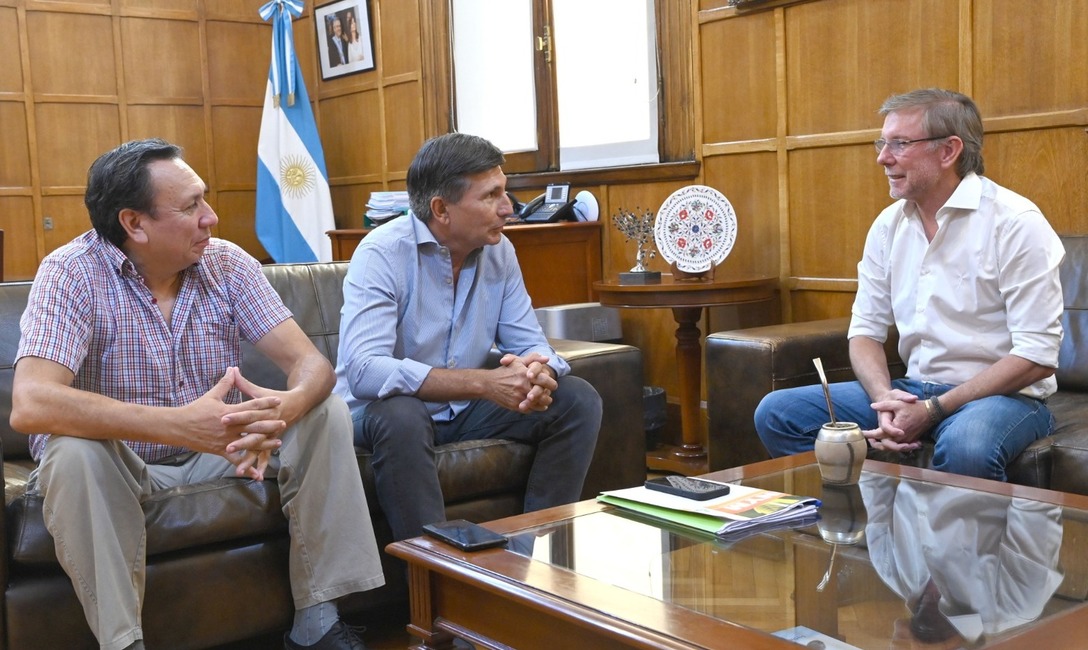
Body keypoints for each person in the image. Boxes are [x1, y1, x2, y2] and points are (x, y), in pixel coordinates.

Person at [10, 139, 384, 650]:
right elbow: (33, 402)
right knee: (71, 453)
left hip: (224, 451)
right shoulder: (71, 273)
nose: (211, 217)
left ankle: (318, 623)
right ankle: (124, 643)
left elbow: (312, 365)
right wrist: (180, 426)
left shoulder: (226, 263)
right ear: (134, 224)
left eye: (203, 199)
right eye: (190, 207)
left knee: (326, 412)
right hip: (124, 466)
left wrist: (284, 408)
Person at [754, 88, 1065, 482]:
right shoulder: (888, 225)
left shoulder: (1015, 222)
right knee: (778, 413)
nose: (883, 157)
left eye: (899, 143)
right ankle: (864, 511)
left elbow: (1037, 355)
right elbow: (864, 332)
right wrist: (884, 398)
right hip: (913, 389)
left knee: (967, 448)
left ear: (948, 151)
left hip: (1003, 398)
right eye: (882, 143)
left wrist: (934, 410)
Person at [334, 132, 603, 543]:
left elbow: (529, 342)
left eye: (504, 191)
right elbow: (365, 371)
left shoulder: (500, 251)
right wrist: (484, 383)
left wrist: (539, 373)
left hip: (461, 412)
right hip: (377, 417)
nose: (508, 207)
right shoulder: (381, 253)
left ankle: (536, 551)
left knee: (576, 399)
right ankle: (435, 572)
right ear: (441, 209)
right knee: (402, 414)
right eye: (491, 195)